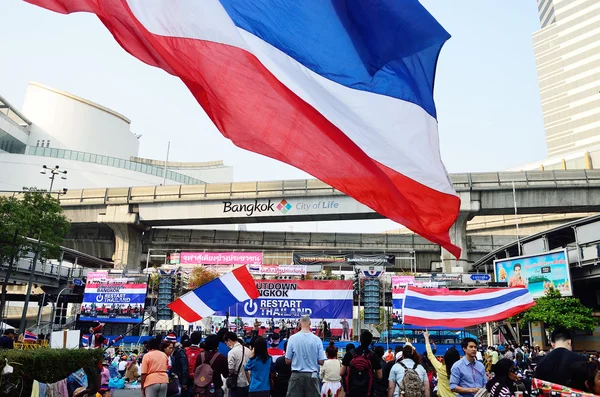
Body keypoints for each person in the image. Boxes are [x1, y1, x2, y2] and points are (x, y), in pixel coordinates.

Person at [285, 315, 326, 397]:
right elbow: (321, 361)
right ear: (310, 323)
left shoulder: (292, 338)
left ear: (300, 323)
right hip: (312, 375)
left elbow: (287, 361)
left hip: (296, 375)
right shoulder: (317, 339)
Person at [340, 331, 383, 397]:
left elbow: (341, 372)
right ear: (370, 341)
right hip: (367, 391)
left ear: (360, 340)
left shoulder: (350, 353)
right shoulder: (373, 356)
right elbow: (380, 376)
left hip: (351, 390)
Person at [423, 331, 459, 397]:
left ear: (445, 358)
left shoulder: (440, 367)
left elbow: (430, 354)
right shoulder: (461, 370)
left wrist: (426, 338)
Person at [224, 331, 251, 397]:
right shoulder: (248, 350)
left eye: (226, 343)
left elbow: (231, 369)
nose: (227, 345)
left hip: (237, 383)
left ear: (229, 341)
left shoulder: (231, 352)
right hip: (249, 382)